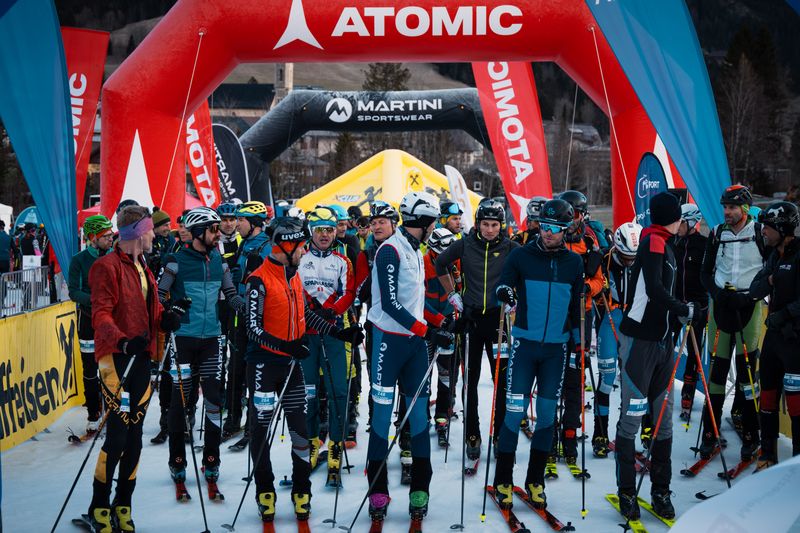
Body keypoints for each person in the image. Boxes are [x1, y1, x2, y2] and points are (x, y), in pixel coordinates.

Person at [86, 205, 186, 532]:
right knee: (117, 434)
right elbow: (100, 314)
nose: (155, 235)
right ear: (138, 233)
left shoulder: (143, 265)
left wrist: (165, 319)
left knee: (135, 437)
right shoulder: (106, 267)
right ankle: (99, 505)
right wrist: (123, 340)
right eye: (150, 229)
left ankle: (123, 503)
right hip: (115, 358)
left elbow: (149, 310)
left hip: (140, 358)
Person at [243, 217, 344, 523]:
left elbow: (305, 315)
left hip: (291, 366)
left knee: (301, 431)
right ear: (285, 247)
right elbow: (252, 328)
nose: (304, 251)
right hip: (263, 366)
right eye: (300, 247)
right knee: (260, 432)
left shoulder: (294, 276)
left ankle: (302, 490)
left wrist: (338, 332)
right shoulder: (258, 280)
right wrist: (287, 347)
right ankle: (265, 490)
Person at [366, 191, 454, 525]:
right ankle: (378, 491)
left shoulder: (416, 250)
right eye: (433, 223)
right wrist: (427, 331)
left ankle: (420, 489)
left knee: (419, 418)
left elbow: (414, 303)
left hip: (414, 346)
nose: (434, 228)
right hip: (388, 344)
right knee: (381, 418)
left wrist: (440, 322)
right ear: (424, 222)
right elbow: (390, 305)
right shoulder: (390, 250)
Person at [492, 198, 584, 509]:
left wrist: (578, 345)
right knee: (514, 413)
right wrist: (505, 292)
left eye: (555, 228)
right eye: (544, 226)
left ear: (566, 229)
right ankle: (503, 480)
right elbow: (503, 286)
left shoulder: (574, 263)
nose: (548, 232)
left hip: (556, 351)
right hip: (525, 346)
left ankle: (535, 481)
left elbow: (576, 310)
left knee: (546, 417)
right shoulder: (521, 255)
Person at [615, 192, 693, 520]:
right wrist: (682, 309)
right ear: (672, 218)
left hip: (662, 343)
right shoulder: (655, 242)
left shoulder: (666, 244)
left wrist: (680, 316)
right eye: (679, 217)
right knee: (633, 418)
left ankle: (661, 490)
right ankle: (627, 492)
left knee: (663, 421)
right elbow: (656, 290)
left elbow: (667, 293)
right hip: (640, 342)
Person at [156, 207, 245, 493]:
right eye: (213, 229)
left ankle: (211, 458)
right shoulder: (175, 261)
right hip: (183, 339)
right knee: (180, 400)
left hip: (211, 341)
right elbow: (158, 296)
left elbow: (231, 295)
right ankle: (177, 460)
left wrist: (250, 308)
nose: (218, 234)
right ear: (197, 232)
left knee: (214, 401)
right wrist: (171, 310)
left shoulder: (219, 260)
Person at [434, 199, 519, 460]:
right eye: (485, 224)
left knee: (500, 380)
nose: (490, 230)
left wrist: (514, 297)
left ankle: (500, 433)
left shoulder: (511, 247)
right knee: (470, 381)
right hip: (471, 320)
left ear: (501, 225)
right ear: (478, 224)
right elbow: (440, 263)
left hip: (498, 321)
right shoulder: (466, 244)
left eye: (494, 225)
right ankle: (472, 434)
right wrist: (452, 294)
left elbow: (526, 271)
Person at [699, 185, 766, 462]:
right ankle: (710, 433)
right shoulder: (717, 233)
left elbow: (770, 272)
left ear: (745, 209)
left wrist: (751, 295)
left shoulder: (760, 233)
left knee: (748, 375)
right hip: (722, 308)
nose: (727, 212)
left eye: (732, 207)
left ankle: (751, 435)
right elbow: (705, 273)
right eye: (725, 207)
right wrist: (717, 294)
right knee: (717, 373)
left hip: (748, 307)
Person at [298, 206, 360, 483]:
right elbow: (296, 288)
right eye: (320, 230)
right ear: (311, 231)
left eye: (330, 230)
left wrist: (332, 310)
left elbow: (349, 291)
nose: (325, 235)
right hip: (307, 332)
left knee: (338, 390)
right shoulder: (301, 257)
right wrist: (312, 307)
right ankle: (312, 441)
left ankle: (335, 443)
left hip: (335, 331)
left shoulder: (342, 260)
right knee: (309, 391)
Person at [749, 201, 800, 470]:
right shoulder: (773, 256)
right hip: (774, 340)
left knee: (796, 405)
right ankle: (767, 454)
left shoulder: (798, 254)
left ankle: (797, 462)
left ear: (782, 228)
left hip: (795, 341)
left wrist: (783, 315)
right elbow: (755, 289)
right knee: (767, 397)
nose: (763, 232)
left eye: (767, 227)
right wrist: (770, 280)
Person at [556, 190, 604, 468]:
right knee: (553, 374)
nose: (571, 219)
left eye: (574, 213)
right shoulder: (553, 239)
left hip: (581, 316)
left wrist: (587, 287)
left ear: (583, 215)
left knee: (575, 374)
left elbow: (599, 280)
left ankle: (570, 433)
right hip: (555, 315)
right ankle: (550, 431)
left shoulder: (589, 242)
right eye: (567, 212)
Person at [592, 221, 642, 458]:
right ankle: (600, 433)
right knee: (607, 378)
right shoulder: (605, 259)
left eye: (634, 258)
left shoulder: (644, 259)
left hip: (634, 322)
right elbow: (591, 285)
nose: (630, 261)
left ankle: (627, 433)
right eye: (626, 257)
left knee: (632, 380)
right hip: (610, 320)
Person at [223, 201, 271, 441]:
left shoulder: (266, 246)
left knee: (254, 369)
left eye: (241, 220)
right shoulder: (243, 244)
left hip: (258, 315)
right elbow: (235, 274)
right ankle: (233, 419)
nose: (237, 224)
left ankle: (254, 423)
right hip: (239, 311)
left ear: (254, 223)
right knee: (235, 367)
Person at [69, 216, 115, 434]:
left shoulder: (115, 256)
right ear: (92, 237)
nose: (110, 239)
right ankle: (93, 412)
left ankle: (112, 409)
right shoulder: (79, 260)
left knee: (111, 367)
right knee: (90, 368)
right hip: (88, 319)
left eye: (111, 235)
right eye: (106, 236)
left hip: (112, 320)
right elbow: (74, 292)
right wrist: (97, 300)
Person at [423, 228, 460, 445]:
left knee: (447, 373)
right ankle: (421, 416)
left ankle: (442, 417)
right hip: (427, 324)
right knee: (423, 372)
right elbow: (418, 300)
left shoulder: (456, 263)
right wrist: (439, 321)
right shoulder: (422, 263)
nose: (445, 258)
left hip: (448, 321)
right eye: (440, 254)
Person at [673, 204, 709, 419]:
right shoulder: (674, 242)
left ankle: (688, 394)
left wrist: (702, 303)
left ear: (692, 222)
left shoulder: (704, 245)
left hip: (698, 307)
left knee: (694, 354)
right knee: (665, 347)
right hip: (675, 304)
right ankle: (662, 387)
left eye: (681, 222)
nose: (678, 226)